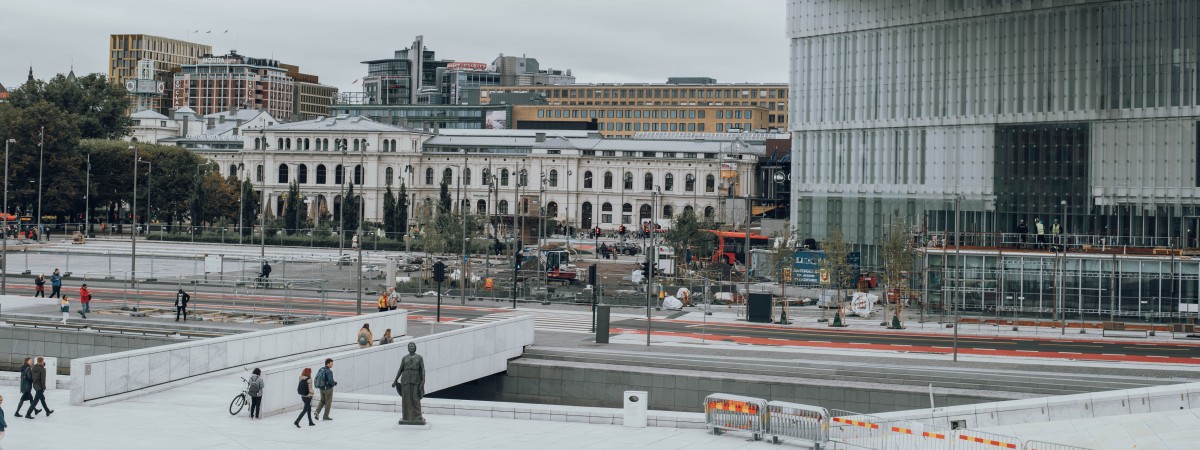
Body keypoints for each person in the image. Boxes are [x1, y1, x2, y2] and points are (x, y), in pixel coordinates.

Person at [392, 342, 425, 424]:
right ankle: (406, 417)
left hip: (415, 379)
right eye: (409, 346)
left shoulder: (419, 357)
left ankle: (418, 416)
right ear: (408, 348)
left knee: (415, 398)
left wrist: (423, 380)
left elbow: (423, 369)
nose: (411, 347)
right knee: (406, 399)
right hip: (406, 379)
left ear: (415, 347)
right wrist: (395, 380)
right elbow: (400, 369)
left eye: (412, 346)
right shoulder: (404, 358)